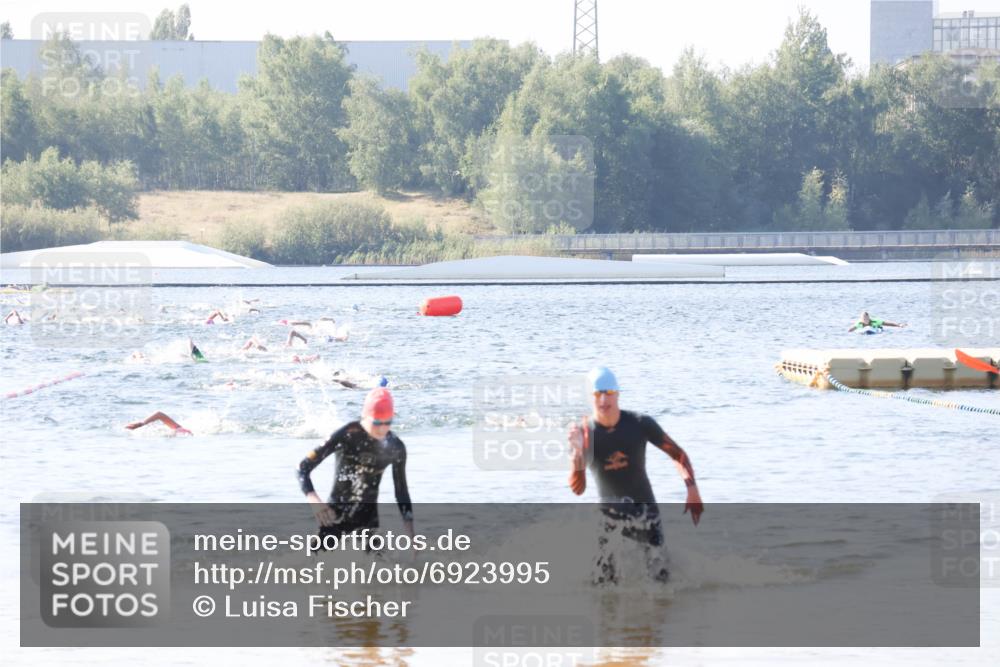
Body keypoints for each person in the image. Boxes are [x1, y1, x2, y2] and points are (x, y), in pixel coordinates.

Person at [568, 366, 703, 584]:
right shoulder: (584, 434)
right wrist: (577, 457)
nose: (603, 400)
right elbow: (578, 488)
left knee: (661, 582)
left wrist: (692, 489)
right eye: (597, 394)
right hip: (608, 517)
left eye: (609, 393)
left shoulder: (640, 424)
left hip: (645, 512)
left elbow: (678, 455)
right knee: (602, 586)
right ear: (590, 397)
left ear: (618, 393)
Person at [297, 388, 414, 545]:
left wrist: (410, 533)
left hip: (368, 520)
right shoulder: (347, 434)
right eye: (377, 422)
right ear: (365, 417)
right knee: (308, 566)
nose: (382, 428)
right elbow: (303, 468)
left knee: (386, 568)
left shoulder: (395, 447)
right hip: (334, 515)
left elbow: (401, 493)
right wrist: (315, 501)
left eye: (388, 422)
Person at [125, 411, 192, 435]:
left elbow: (159, 414)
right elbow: (159, 414)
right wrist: (141, 424)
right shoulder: (180, 429)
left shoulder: (184, 432)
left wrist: (141, 424)